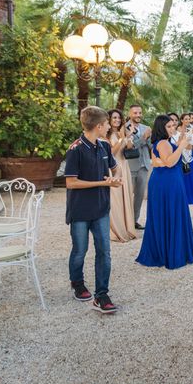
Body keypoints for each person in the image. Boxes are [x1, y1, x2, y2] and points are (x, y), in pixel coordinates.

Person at [64, 106, 122, 314]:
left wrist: (115, 176)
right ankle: (77, 283)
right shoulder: (75, 149)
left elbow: (116, 168)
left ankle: (101, 295)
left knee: (104, 252)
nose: (109, 126)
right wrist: (102, 183)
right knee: (80, 251)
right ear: (98, 126)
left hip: (101, 210)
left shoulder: (105, 147)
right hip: (79, 211)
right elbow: (71, 183)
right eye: (107, 123)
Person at [136, 115, 193, 269]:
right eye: (169, 126)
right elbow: (170, 162)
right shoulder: (163, 143)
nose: (172, 128)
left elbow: (160, 161)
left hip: (165, 180)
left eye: (173, 126)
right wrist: (183, 145)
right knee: (172, 214)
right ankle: (172, 253)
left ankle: (164, 250)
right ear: (161, 128)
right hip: (168, 183)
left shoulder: (162, 142)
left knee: (166, 215)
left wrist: (180, 143)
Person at [106, 109, 137, 242]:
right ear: (108, 119)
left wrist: (128, 136)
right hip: (113, 168)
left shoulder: (121, 133)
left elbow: (129, 148)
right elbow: (111, 153)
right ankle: (116, 230)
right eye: (114, 118)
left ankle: (127, 228)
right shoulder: (105, 135)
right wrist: (121, 139)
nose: (117, 120)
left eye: (119, 118)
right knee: (116, 199)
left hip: (124, 166)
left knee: (127, 197)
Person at [125, 104, 152, 230]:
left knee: (139, 195)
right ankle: (126, 221)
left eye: (140, 112)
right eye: (135, 113)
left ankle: (134, 220)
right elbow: (129, 147)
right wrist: (144, 138)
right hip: (130, 166)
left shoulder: (146, 128)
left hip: (144, 165)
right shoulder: (124, 128)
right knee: (128, 195)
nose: (138, 115)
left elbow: (151, 146)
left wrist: (148, 138)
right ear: (130, 113)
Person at [174, 113, 193, 205]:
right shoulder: (178, 129)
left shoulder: (191, 129)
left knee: (191, 175)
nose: (188, 121)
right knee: (183, 176)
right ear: (181, 120)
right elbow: (179, 141)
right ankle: (184, 198)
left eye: (189, 119)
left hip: (189, 154)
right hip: (181, 154)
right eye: (185, 119)